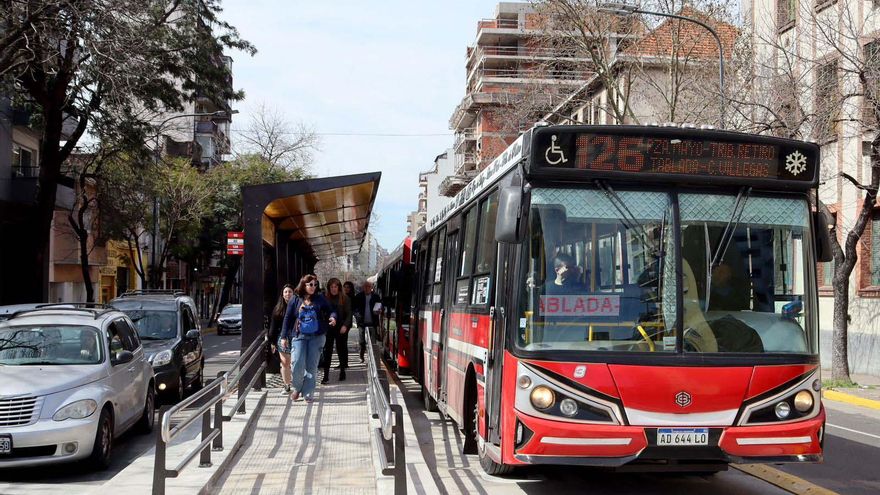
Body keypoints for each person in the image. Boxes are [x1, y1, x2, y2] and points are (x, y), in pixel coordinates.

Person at [280, 275, 337, 402]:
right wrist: (283, 337)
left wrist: (333, 318)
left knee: (312, 366)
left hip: (316, 336)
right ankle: (297, 388)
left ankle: (308, 392)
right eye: (310, 284)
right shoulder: (295, 299)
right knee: (297, 364)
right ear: (304, 285)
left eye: (315, 284)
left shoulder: (320, 298)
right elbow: (288, 318)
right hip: (299, 336)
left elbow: (331, 310)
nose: (313, 287)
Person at [321, 278, 352, 383]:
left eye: (335, 287)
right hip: (329, 328)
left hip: (341, 328)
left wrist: (345, 326)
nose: (333, 289)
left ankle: (342, 371)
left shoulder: (345, 298)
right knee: (327, 351)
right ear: (329, 288)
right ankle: (326, 375)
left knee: (341, 350)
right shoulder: (326, 298)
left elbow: (349, 314)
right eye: (331, 287)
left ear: (339, 287)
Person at [269, 284, 295, 394]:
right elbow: (273, 327)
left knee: (296, 362)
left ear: (293, 294)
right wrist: (272, 342)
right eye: (286, 292)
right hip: (282, 337)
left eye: (290, 291)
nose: (288, 294)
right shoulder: (278, 309)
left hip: (296, 336)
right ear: (282, 294)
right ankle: (287, 385)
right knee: (285, 363)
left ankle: (298, 385)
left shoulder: (298, 306)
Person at [353, 280, 381, 363]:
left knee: (373, 341)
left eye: (368, 286)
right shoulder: (358, 296)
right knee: (362, 341)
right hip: (362, 322)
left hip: (373, 322)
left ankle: (372, 358)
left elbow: (379, 306)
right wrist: (358, 316)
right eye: (365, 287)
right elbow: (355, 309)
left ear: (371, 287)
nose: (367, 288)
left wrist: (378, 311)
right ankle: (361, 356)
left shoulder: (376, 297)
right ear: (363, 288)